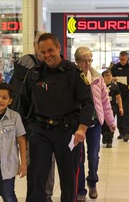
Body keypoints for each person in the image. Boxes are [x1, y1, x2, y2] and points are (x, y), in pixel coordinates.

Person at [19, 33, 94, 202]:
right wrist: (25, 132)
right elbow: (22, 104)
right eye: (43, 52)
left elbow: (88, 103)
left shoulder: (74, 73)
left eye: (50, 50)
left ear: (59, 48)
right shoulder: (34, 73)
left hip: (68, 132)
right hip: (40, 131)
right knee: (36, 178)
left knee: (68, 178)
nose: (47, 55)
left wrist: (82, 128)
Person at [9, 31, 56, 202]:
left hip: (52, 125)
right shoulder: (25, 66)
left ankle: (47, 195)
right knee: (33, 164)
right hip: (29, 125)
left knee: (50, 163)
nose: (42, 47)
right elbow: (15, 95)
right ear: (35, 44)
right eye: (38, 42)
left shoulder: (59, 67)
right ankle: (35, 197)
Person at [74, 46, 116, 202]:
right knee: (78, 158)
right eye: (84, 61)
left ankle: (92, 182)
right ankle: (80, 190)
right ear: (77, 61)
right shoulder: (72, 77)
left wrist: (110, 121)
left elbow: (105, 102)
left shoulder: (97, 78)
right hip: (77, 124)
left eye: (90, 60)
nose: (88, 63)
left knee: (93, 155)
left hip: (95, 122)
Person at [101, 69, 124, 148]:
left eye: (110, 75)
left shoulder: (115, 86)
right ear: (103, 77)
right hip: (101, 108)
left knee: (110, 124)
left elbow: (118, 97)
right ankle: (104, 135)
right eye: (106, 75)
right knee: (103, 124)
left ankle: (109, 140)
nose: (109, 77)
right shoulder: (100, 86)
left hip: (112, 108)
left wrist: (120, 107)